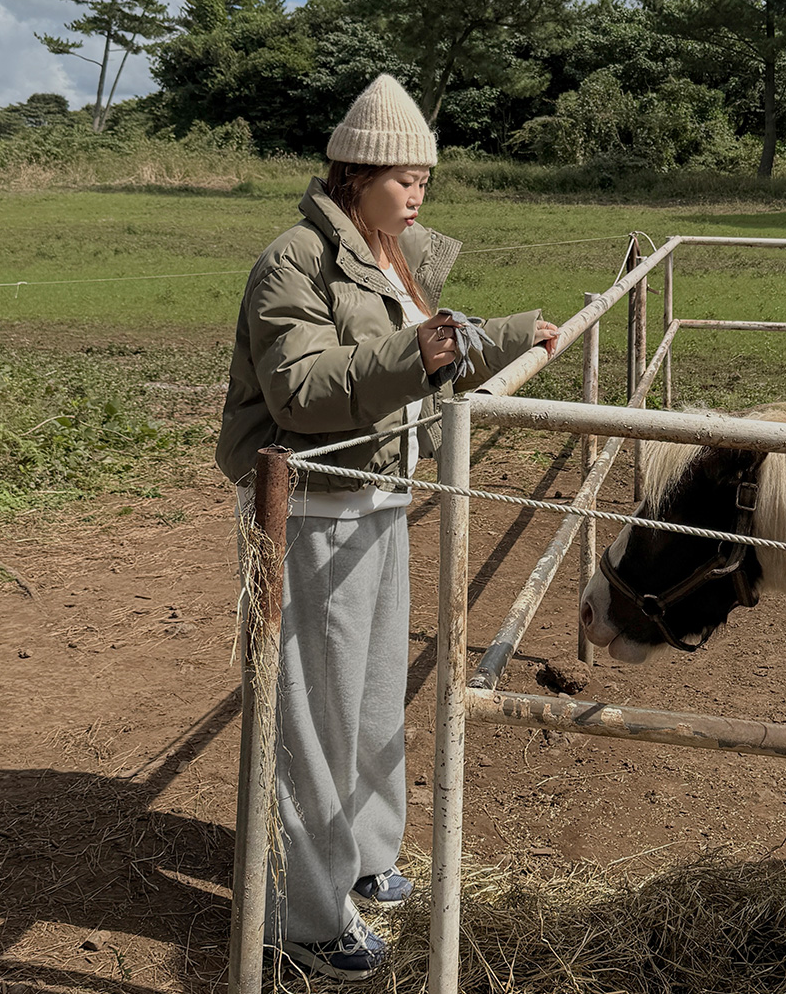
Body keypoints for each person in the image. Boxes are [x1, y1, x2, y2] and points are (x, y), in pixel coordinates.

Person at [216, 74, 557, 982]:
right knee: (310, 719)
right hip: (306, 509)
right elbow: (302, 388)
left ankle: (363, 854)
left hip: (375, 498)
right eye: (405, 179)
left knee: (369, 700)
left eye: (425, 181)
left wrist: (515, 335)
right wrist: (423, 347)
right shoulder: (293, 260)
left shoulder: (389, 257)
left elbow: (425, 356)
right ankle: (302, 913)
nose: (417, 195)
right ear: (357, 173)